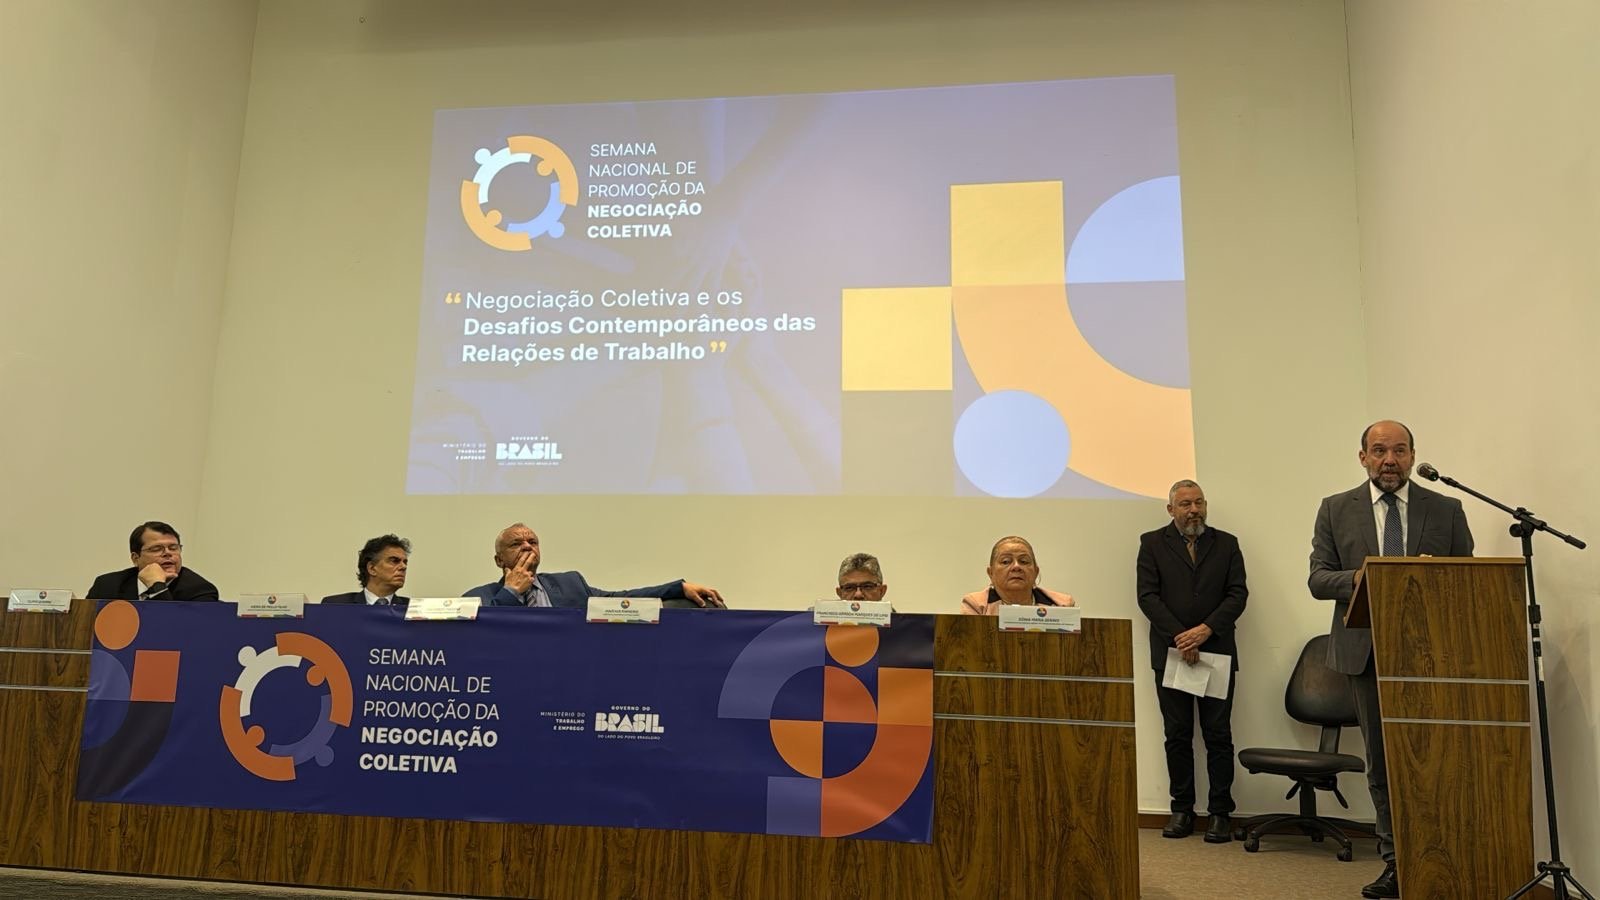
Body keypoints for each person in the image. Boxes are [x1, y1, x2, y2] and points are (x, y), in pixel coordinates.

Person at [1309, 420, 1473, 900]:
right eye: (1379, 451)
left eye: (1399, 451)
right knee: (1383, 763)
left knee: (1435, 762)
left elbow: (1466, 576)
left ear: (1413, 456)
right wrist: (1362, 578)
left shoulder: (1446, 509)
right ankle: (1396, 863)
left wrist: (1434, 577)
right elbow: (1318, 578)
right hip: (1366, 654)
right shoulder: (1336, 508)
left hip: (1432, 654)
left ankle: (1441, 857)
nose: (1389, 460)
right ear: (1362, 457)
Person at [1136, 480, 1249, 843]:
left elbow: (1237, 594)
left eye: (1199, 502)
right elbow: (1147, 597)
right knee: (1177, 734)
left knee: (1218, 735)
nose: (1194, 510)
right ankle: (1182, 809)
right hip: (1171, 654)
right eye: (1185, 504)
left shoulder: (1227, 543)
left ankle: (1220, 813)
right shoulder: (1152, 543)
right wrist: (1181, 636)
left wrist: (1204, 630)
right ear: (1171, 509)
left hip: (1216, 651)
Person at [463, 523, 726, 608]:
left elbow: (620, 599)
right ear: (499, 560)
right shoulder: (478, 598)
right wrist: (510, 592)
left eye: (533, 542)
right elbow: (484, 638)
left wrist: (678, 588)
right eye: (516, 544)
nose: (527, 547)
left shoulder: (570, 584)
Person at [86, 521, 219, 602]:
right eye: (157, 549)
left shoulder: (199, 590)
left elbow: (177, 631)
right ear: (135, 558)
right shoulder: (107, 585)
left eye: (173, 548)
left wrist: (157, 588)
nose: (168, 553)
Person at [959, 536, 1073, 614]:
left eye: (1024, 561)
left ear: (1036, 572)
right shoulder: (976, 605)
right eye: (1006, 561)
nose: (1016, 567)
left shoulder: (1062, 605)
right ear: (991, 573)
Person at [322, 535, 411, 606]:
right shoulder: (335, 605)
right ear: (372, 568)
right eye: (394, 561)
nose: (403, 567)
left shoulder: (413, 609)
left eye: (405, 562)